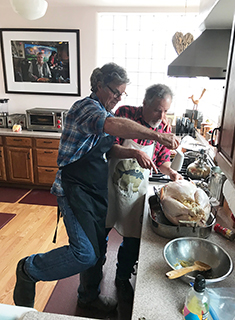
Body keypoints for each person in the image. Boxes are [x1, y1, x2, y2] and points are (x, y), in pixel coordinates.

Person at [13, 63, 179, 314]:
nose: (119, 98)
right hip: (75, 190)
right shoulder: (87, 108)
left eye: (122, 93)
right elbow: (112, 125)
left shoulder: (102, 109)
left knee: (98, 249)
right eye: (115, 91)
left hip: (95, 189)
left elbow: (108, 149)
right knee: (85, 254)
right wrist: (157, 136)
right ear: (99, 85)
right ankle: (29, 269)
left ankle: (88, 297)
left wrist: (145, 156)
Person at [77, 84, 183, 311]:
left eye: (165, 111)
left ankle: (122, 279)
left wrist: (172, 172)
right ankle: (93, 282)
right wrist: (135, 152)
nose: (161, 116)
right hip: (109, 188)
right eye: (157, 110)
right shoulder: (125, 114)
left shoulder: (164, 127)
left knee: (133, 240)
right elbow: (109, 149)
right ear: (144, 104)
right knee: (99, 237)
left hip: (135, 194)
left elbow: (162, 162)